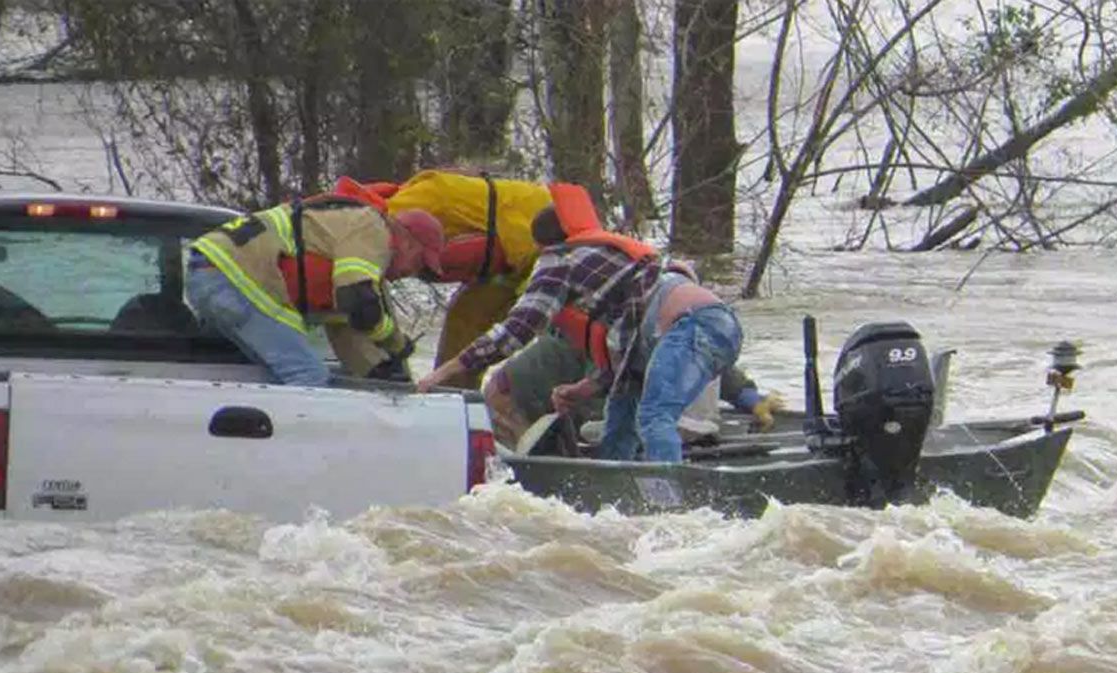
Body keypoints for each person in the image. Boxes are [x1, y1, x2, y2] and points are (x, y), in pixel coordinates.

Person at [416, 182, 745, 463]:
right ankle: (615, 492)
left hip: (694, 326)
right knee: (619, 419)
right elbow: (621, 359)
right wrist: (580, 390)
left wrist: (444, 372)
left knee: (654, 417)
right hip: (701, 330)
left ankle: (671, 502)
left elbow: (517, 329)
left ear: (544, 245)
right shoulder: (609, 263)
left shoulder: (560, 257)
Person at [187, 195, 446, 386]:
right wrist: (394, 341)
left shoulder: (344, 243)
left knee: (272, 377)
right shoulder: (374, 231)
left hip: (211, 271)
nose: (411, 274)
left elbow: (344, 324)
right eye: (420, 264)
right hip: (235, 277)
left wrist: (379, 372)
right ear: (409, 242)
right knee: (309, 380)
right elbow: (358, 303)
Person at [331, 169, 553, 389]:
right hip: (515, 249)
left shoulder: (404, 210)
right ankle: (449, 396)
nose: (400, 275)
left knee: (471, 332)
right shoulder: (397, 214)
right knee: (462, 330)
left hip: (529, 245)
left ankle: (452, 399)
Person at [483, 335, 785, 450]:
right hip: (514, 398)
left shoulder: (676, 321)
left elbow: (706, 357)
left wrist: (750, 399)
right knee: (514, 489)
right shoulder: (618, 327)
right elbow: (603, 394)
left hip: (557, 396)